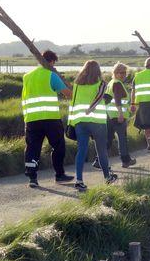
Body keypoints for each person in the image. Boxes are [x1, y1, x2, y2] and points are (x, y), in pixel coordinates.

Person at [22, 50, 74, 188]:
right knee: (59, 146)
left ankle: (32, 178)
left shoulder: (27, 76)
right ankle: (59, 175)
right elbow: (68, 94)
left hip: (31, 119)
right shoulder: (51, 75)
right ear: (52, 62)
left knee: (32, 148)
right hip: (50, 118)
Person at [68, 60, 117, 191]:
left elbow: (72, 104)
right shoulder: (101, 84)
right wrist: (90, 109)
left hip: (80, 122)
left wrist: (70, 123)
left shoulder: (77, 85)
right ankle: (107, 177)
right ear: (98, 71)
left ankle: (79, 180)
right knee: (101, 150)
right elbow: (99, 97)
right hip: (97, 122)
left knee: (81, 150)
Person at [91, 62, 136, 169]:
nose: (124, 75)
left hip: (109, 116)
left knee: (108, 140)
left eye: (125, 72)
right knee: (122, 139)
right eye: (121, 72)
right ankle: (126, 161)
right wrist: (120, 113)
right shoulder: (117, 84)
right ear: (115, 72)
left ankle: (98, 161)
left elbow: (106, 100)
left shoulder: (111, 83)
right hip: (117, 116)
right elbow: (117, 100)